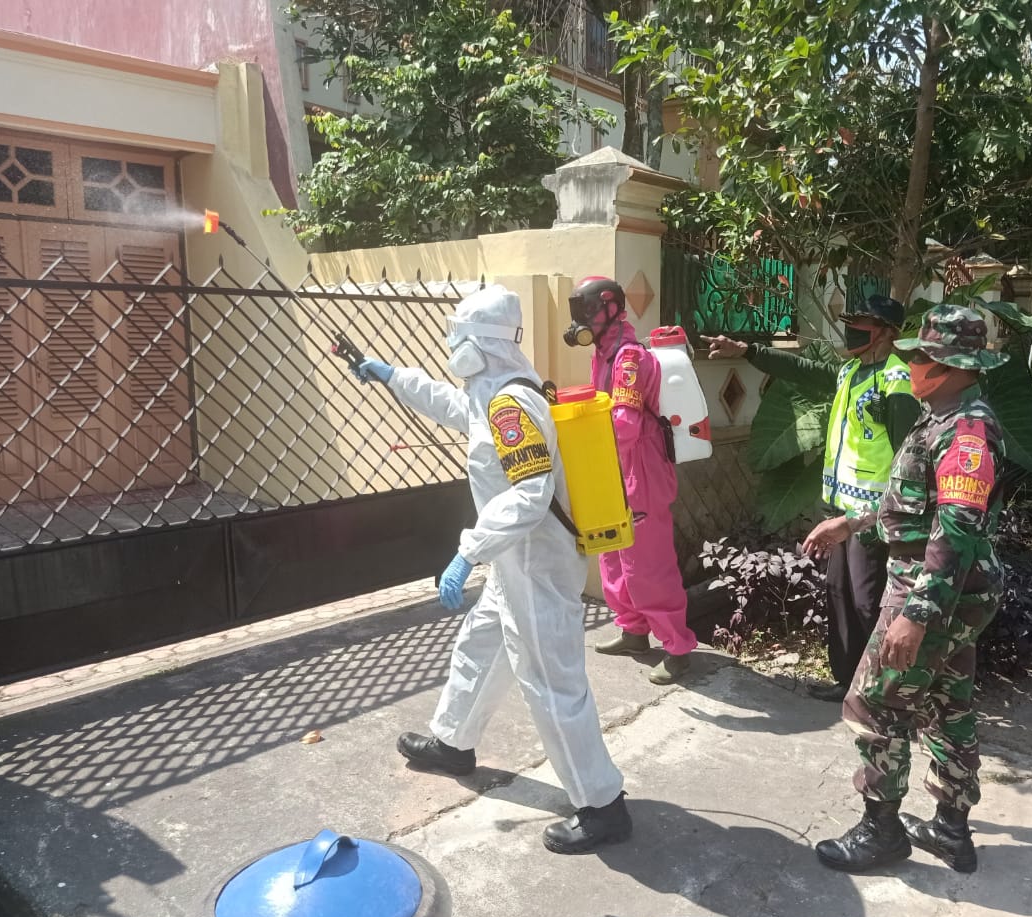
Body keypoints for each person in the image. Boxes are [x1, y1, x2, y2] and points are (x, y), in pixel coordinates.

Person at [351, 284, 631, 854]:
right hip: (514, 562)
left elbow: (530, 494)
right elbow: (454, 409)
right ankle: (453, 743)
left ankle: (603, 805)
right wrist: (393, 376)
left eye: (456, 335)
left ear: (478, 343)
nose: (450, 345)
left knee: (552, 683)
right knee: (481, 646)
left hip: (536, 565)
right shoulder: (493, 393)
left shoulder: (511, 406)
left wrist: (468, 551)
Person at [802, 304, 1007, 875]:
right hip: (952, 592)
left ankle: (882, 831)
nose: (911, 364)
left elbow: (955, 530)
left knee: (871, 702)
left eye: (921, 357)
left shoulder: (966, 432)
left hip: (933, 590)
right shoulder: (941, 416)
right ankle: (950, 830)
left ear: (950, 366)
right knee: (946, 705)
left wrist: (916, 615)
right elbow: (914, 501)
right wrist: (853, 522)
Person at [706, 295, 919, 702]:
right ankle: (847, 680)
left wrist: (885, 514)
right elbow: (802, 370)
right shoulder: (850, 372)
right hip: (840, 508)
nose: (852, 329)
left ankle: (878, 689)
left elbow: (909, 458)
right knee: (839, 592)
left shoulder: (897, 380)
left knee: (866, 599)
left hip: (872, 513)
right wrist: (748, 351)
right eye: (851, 321)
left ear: (886, 333)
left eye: (862, 323)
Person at [563, 276, 698, 685]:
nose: (581, 320)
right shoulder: (604, 353)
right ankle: (634, 630)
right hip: (612, 467)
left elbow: (624, 424)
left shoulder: (629, 358)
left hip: (640, 470)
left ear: (609, 308)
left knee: (648, 564)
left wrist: (581, 431)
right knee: (613, 553)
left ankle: (677, 647)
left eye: (587, 311)